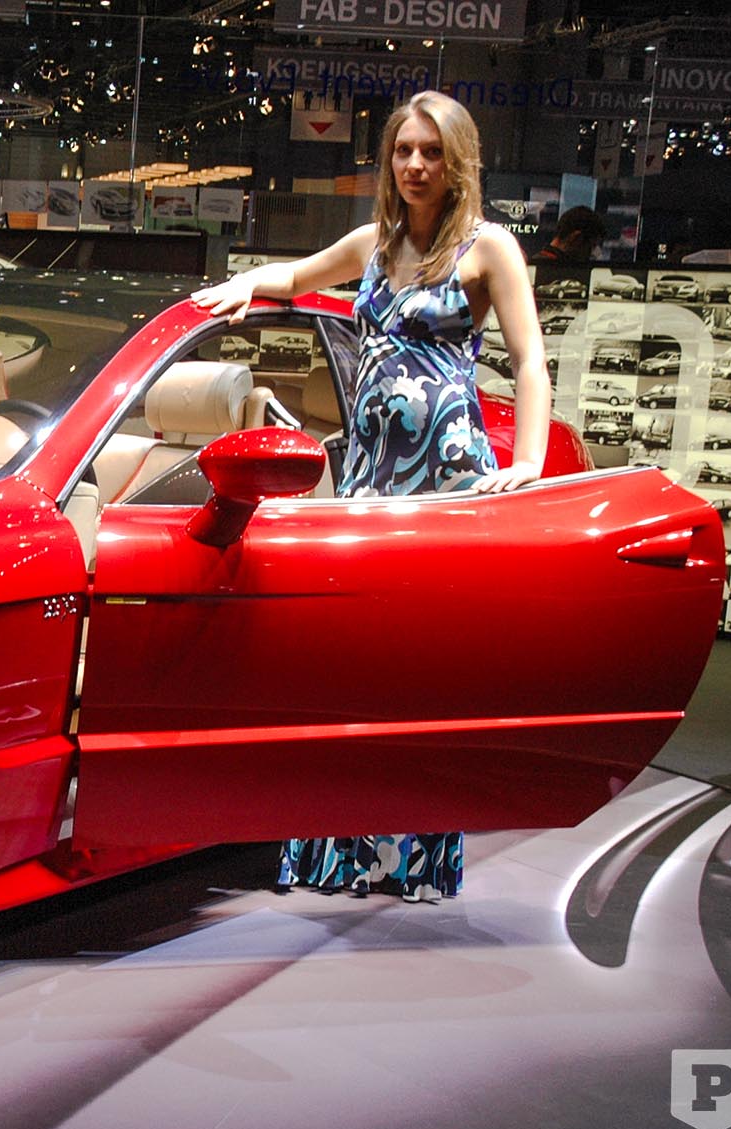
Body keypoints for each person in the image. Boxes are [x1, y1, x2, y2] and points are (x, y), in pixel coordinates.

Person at [191, 90, 550, 902]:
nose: (415, 165)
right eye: (403, 151)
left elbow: (530, 360)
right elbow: (297, 276)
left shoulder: (489, 248)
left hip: (445, 479)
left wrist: (527, 460)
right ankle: (336, 852)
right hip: (372, 474)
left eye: (431, 151)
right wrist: (243, 287)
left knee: (425, 669)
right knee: (353, 662)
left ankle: (417, 860)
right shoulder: (374, 243)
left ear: (458, 159)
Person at [533, 205, 603, 262]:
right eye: (592, 246)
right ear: (577, 238)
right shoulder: (563, 269)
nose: (593, 253)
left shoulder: (535, 263)